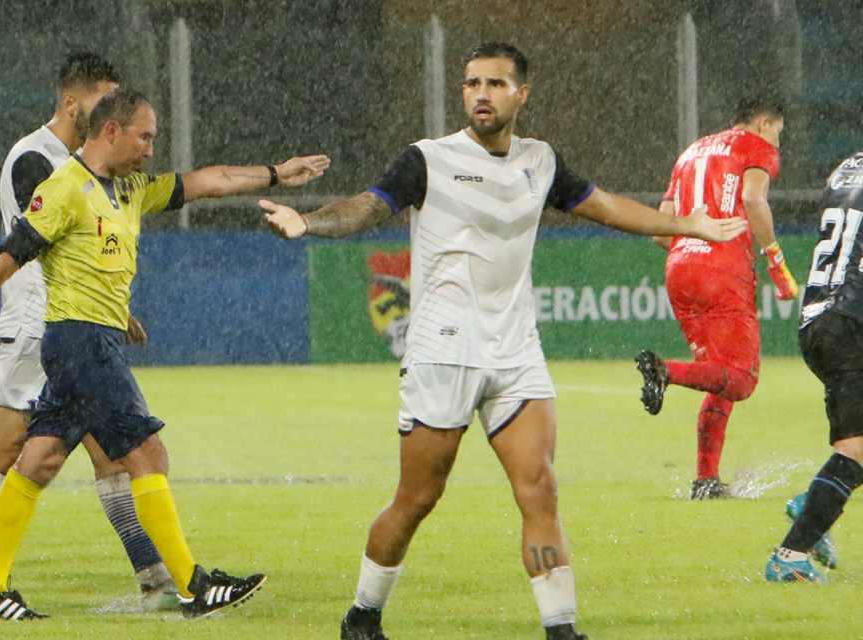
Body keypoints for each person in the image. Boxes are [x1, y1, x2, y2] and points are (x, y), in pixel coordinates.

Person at [259, 42, 746, 640]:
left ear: (522, 94)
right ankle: (363, 615)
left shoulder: (540, 162)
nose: (480, 93)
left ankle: (561, 629)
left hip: (515, 352)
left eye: (494, 83)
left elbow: (609, 207)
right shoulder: (428, 158)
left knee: (539, 488)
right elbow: (367, 206)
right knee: (416, 500)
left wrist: (686, 224)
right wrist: (308, 221)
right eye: (471, 84)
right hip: (443, 352)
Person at [0, 87, 331, 620]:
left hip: (87, 344)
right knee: (148, 456)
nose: (149, 148)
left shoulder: (130, 188)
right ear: (110, 131)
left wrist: (278, 173)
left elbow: (208, 181)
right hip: (82, 344)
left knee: (39, 461)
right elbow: (6, 260)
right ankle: (192, 586)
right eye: (144, 136)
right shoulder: (65, 186)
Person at [0, 52, 176, 612]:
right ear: (72, 102)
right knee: (3, 448)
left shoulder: (82, 161)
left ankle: (157, 579)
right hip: (38, 324)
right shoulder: (33, 158)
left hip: (74, 329)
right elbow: (38, 246)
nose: (110, 111)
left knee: (112, 452)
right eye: (101, 100)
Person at [634, 98, 798, 500]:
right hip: (723, 268)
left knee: (718, 375)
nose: (779, 140)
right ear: (763, 123)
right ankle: (664, 370)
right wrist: (776, 264)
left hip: (679, 267)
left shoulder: (691, 151)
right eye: (779, 130)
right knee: (741, 380)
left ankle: (705, 480)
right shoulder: (756, 146)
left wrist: (691, 257)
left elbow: (661, 231)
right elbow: (754, 199)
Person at [764, 149, 863, 582]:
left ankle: (814, 503)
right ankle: (790, 556)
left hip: (819, 315)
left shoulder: (846, 164)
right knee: (856, 451)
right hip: (849, 322)